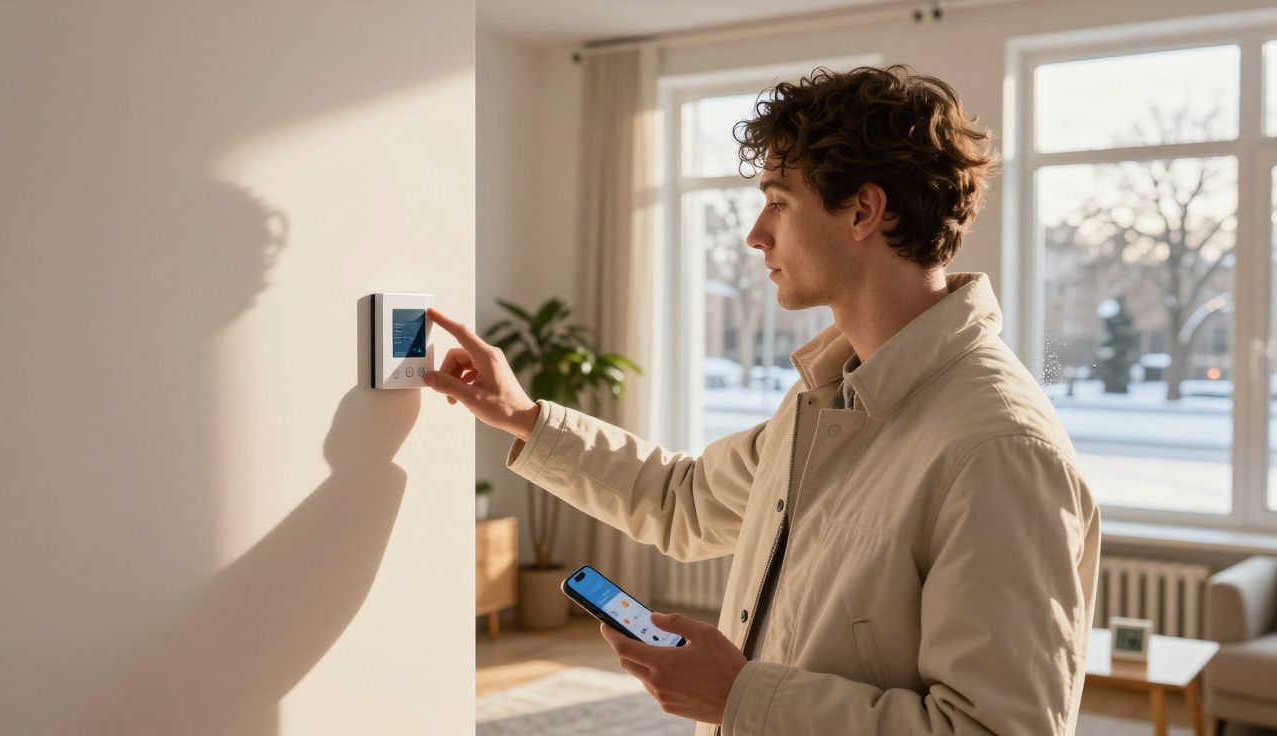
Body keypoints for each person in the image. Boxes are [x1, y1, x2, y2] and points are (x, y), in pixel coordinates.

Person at [425, 64, 1100, 736]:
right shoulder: (826, 400)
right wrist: (521, 414)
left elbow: (1001, 730)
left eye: (779, 200)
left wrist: (743, 696)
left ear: (863, 211)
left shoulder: (1001, 450)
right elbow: (682, 501)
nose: (756, 234)